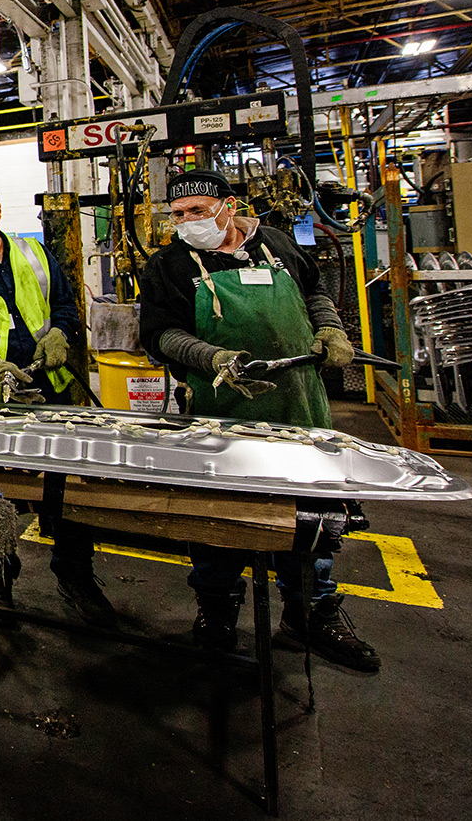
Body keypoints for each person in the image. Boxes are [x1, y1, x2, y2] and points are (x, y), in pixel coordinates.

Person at [139, 168, 378, 672]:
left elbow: (315, 294)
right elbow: (161, 334)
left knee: (308, 514)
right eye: (177, 215)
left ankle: (311, 610)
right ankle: (218, 610)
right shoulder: (169, 265)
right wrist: (212, 359)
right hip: (220, 411)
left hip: (299, 406)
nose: (186, 223)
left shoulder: (276, 244)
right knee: (217, 516)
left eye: (196, 212)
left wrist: (332, 331)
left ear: (227, 205)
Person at [0, 180, 115, 629]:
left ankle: (74, 575)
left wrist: (59, 335)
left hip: (48, 386)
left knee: (66, 482)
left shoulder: (34, 253)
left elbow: (66, 305)